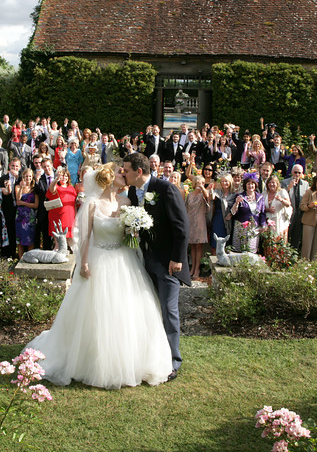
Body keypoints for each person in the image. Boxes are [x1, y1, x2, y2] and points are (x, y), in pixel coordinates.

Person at [26, 164, 173, 389]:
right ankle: (91, 360)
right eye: (120, 174)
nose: (125, 176)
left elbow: (128, 236)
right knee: (98, 311)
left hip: (124, 260)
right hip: (99, 260)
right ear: (109, 179)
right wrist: (83, 263)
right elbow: (85, 237)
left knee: (126, 310)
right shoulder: (92, 204)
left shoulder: (127, 203)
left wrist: (134, 228)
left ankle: (129, 358)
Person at [122, 152, 190, 381]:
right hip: (145, 260)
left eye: (127, 170)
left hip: (169, 262)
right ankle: (151, 356)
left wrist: (177, 258)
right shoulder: (132, 191)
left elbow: (181, 227)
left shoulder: (165, 189)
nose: (124, 173)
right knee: (150, 311)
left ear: (138, 171)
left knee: (169, 311)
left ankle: (173, 361)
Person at [229, 173, 267, 253]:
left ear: (255, 185)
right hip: (240, 227)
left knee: (251, 251)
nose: (250, 186)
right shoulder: (240, 196)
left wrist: (263, 225)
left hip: (253, 227)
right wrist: (236, 203)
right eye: (248, 184)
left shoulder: (260, 197)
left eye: (252, 184)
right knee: (238, 251)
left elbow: (262, 213)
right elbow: (233, 213)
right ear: (245, 185)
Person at [185, 175, 211, 280]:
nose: (200, 184)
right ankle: (192, 267)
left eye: (202, 182)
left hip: (200, 222)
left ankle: (197, 269)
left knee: (199, 246)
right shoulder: (189, 195)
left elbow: (208, 197)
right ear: (194, 183)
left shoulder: (203, 194)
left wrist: (203, 188)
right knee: (192, 246)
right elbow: (186, 208)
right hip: (191, 220)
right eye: (198, 182)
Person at [299, 173, 317, 260]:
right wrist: (309, 206)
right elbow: (302, 206)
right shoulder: (309, 192)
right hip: (309, 220)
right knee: (307, 243)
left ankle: (314, 263)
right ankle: (304, 262)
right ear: (316, 181)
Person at [47, 167, 78, 251]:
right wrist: (56, 179)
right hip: (58, 216)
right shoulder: (56, 186)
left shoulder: (71, 188)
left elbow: (74, 203)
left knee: (68, 241)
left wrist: (76, 217)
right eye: (62, 176)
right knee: (58, 242)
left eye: (66, 176)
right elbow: (51, 189)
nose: (64, 178)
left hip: (70, 216)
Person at [282, 164, 308, 250]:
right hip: (288, 214)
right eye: (295, 172)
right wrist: (289, 187)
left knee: (296, 236)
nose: (297, 174)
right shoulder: (284, 182)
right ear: (292, 172)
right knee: (286, 235)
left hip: (299, 213)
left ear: (302, 173)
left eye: (299, 173)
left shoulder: (305, 184)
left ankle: (294, 255)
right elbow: (281, 195)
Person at [14, 168, 39, 259]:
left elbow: (36, 205)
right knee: (20, 240)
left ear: (32, 177)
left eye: (29, 176)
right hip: (20, 217)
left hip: (30, 218)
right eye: (26, 176)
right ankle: (20, 259)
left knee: (30, 239)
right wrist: (21, 187)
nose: (27, 178)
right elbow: (18, 199)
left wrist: (23, 203)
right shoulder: (17, 187)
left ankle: (30, 259)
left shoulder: (34, 188)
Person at [264, 175, 292, 240]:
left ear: (277, 183)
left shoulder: (282, 192)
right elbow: (260, 208)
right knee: (269, 241)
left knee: (279, 241)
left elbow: (288, 204)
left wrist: (281, 199)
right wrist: (268, 209)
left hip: (279, 221)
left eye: (273, 182)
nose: (271, 184)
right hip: (268, 220)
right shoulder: (264, 193)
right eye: (269, 183)